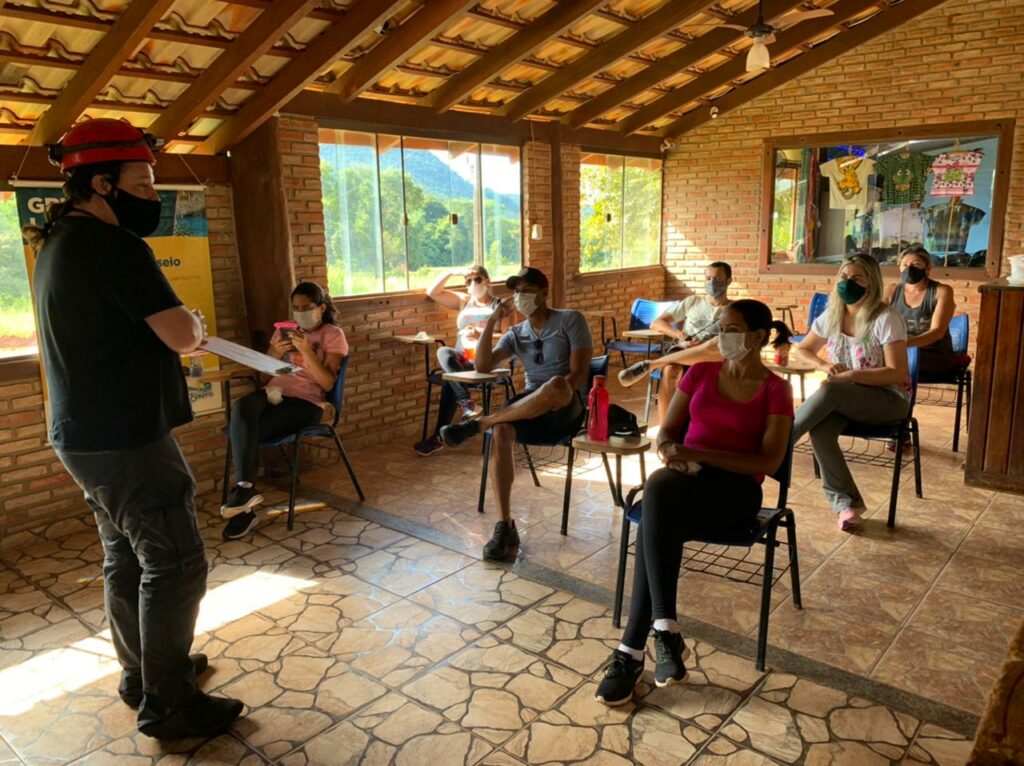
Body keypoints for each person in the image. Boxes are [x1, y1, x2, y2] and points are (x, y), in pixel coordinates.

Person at [28, 119, 243, 739]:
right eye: (143, 183)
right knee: (175, 564)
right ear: (100, 183)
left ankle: (142, 673)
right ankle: (169, 702)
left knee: (126, 557)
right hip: (127, 438)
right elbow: (179, 333)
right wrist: (195, 323)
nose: (154, 196)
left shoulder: (59, 243)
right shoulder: (113, 247)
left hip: (84, 436)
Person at [595, 300, 793, 706]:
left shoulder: (776, 389)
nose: (722, 336)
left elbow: (767, 461)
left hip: (736, 494)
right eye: (720, 328)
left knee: (657, 505)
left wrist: (697, 454)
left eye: (732, 328)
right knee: (661, 491)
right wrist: (672, 452)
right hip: (685, 484)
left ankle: (635, 650)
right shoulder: (700, 374)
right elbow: (664, 434)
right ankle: (660, 632)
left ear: (757, 337)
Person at [438, 267, 593, 560]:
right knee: (501, 431)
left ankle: (480, 422)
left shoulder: (571, 320)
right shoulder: (515, 333)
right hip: (531, 405)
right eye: (516, 291)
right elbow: (482, 366)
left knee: (555, 384)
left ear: (544, 293)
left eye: (527, 291)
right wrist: (491, 321)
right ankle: (505, 525)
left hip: (566, 405)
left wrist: (550, 394)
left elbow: (579, 373)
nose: (520, 297)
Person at [220, 282, 348, 539]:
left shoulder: (332, 335)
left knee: (246, 431)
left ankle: (244, 505)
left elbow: (327, 383)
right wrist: (273, 353)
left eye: (307, 308)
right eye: (296, 308)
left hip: (307, 403)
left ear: (321, 308)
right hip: (274, 393)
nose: (300, 313)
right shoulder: (284, 333)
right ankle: (246, 491)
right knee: (242, 407)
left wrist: (307, 352)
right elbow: (264, 380)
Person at [794, 254, 911, 531]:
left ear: (871, 283)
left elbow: (896, 372)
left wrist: (850, 376)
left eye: (857, 278)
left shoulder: (886, 317)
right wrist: (824, 364)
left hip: (888, 400)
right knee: (821, 429)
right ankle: (846, 505)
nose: (848, 283)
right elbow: (802, 349)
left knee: (830, 391)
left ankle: (775, 443)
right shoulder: (833, 315)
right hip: (847, 399)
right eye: (844, 277)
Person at [619, 262, 734, 424]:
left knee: (712, 345)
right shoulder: (693, 302)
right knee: (671, 370)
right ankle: (665, 429)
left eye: (718, 279)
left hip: (712, 356)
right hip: (684, 351)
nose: (712, 283)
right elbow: (656, 323)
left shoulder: (734, 309)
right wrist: (680, 334)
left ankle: (651, 364)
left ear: (729, 281)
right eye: (708, 278)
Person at [414, 265, 503, 456]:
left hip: (484, 359)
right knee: (444, 352)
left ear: (488, 281)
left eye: (478, 279)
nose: (473, 284)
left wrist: (483, 332)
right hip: (461, 357)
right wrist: (452, 272)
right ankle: (467, 404)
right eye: (468, 281)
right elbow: (433, 292)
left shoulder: (499, 305)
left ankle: (440, 436)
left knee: (450, 380)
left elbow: (509, 335)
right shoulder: (464, 301)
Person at [883, 245, 956, 380]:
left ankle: (900, 398)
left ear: (927, 269)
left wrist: (901, 345)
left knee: (889, 362)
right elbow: (876, 321)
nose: (909, 268)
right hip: (899, 351)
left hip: (933, 354)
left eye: (915, 264)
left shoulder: (941, 291)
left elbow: (937, 332)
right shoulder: (891, 290)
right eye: (904, 265)